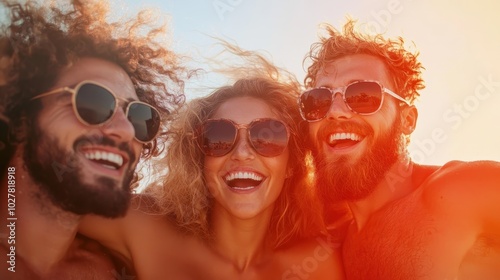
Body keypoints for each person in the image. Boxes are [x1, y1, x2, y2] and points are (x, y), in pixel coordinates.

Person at [79, 49, 345, 279]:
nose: (242, 153)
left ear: (291, 164)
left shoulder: (316, 265)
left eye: (267, 136)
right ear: (200, 158)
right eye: (219, 136)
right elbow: (50, 198)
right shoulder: (143, 226)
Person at [300, 18, 500, 279]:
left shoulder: (459, 191)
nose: (335, 112)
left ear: (407, 120)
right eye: (319, 100)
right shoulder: (334, 246)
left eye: (363, 96)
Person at [0, 0, 185, 278]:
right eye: (94, 103)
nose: (125, 131)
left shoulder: (120, 270)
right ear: (22, 119)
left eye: (138, 117)